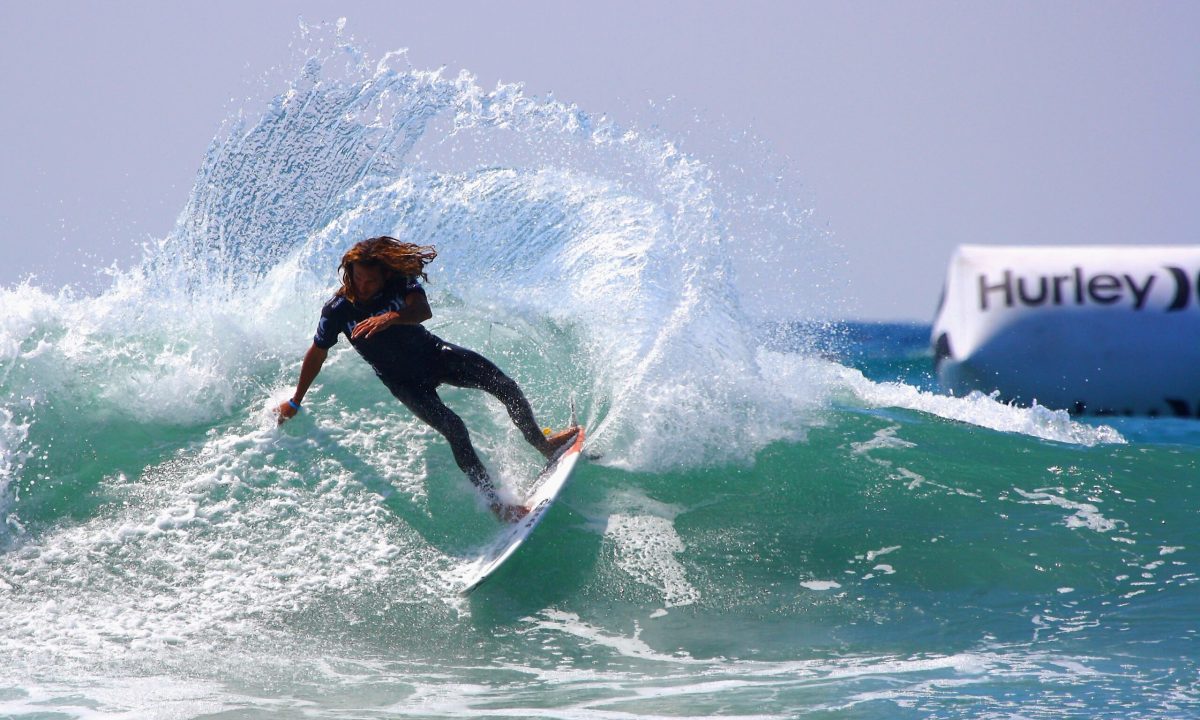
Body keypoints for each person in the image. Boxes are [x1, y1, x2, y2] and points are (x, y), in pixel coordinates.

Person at [275, 236, 578, 522]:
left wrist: (391, 317)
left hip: (434, 354)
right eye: (357, 278)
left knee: (505, 386)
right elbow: (317, 353)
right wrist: (295, 401)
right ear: (348, 273)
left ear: (384, 275)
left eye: (371, 281)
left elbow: (423, 310)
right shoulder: (338, 309)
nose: (363, 286)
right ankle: (497, 506)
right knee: (455, 428)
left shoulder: (399, 281)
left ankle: (543, 445)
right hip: (404, 382)